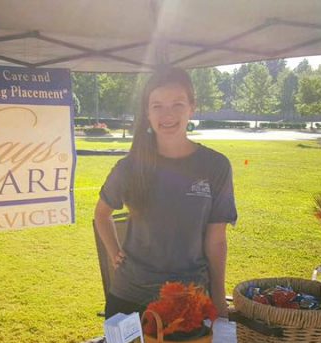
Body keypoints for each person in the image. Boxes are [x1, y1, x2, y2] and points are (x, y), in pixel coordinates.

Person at [94, 66, 237, 320]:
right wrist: (113, 250)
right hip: (130, 300)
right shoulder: (130, 167)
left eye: (177, 104)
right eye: (157, 105)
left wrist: (219, 301)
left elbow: (216, 242)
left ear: (192, 107)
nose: (167, 114)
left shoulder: (216, 166)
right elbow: (101, 215)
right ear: (147, 113)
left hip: (190, 302)